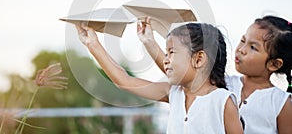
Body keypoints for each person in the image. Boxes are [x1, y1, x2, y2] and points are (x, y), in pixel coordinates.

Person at [76, 21, 243, 134]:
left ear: (198, 59)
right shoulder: (174, 93)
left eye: (172, 52)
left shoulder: (223, 101)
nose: (165, 59)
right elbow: (125, 81)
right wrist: (93, 44)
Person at [138, 16, 292, 134]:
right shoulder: (223, 85)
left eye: (253, 47)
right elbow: (180, 69)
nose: (241, 49)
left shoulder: (281, 102)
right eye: (242, 41)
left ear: (274, 64)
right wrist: (149, 43)